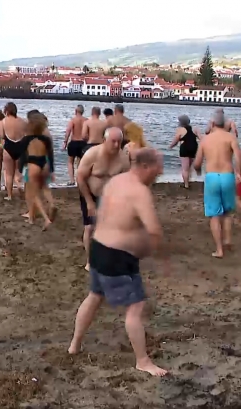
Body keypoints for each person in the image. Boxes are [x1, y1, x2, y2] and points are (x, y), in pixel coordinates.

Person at [68, 148, 167, 377]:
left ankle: (74, 345)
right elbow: (154, 230)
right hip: (117, 257)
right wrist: (151, 250)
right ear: (145, 167)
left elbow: (102, 215)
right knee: (135, 307)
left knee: (94, 297)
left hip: (99, 249)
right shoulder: (140, 192)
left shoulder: (115, 182)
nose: (160, 172)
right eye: (157, 168)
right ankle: (142, 361)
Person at [76, 127, 130, 270]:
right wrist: (89, 202)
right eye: (113, 141)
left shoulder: (123, 158)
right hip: (90, 193)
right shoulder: (92, 155)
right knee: (90, 227)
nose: (117, 145)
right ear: (104, 140)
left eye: (119, 142)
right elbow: (80, 178)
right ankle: (90, 261)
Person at [193, 110, 241, 258]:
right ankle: (227, 240)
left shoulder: (205, 140)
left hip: (212, 176)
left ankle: (219, 250)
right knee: (227, 212)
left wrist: (198, 171)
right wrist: (238, 172)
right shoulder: (230, 137)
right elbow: (238, 157)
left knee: (214, 215)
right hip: (227, 175)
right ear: (225, 124)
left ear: (213, 124)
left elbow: (197, 162)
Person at [19, 115, 56, 229]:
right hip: (44, 164)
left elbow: (22, 157)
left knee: (33, 194)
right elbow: (50, 155)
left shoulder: (26, 139)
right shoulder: (46, 139)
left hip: (33, 165)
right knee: (43, 188)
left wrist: (20, 171)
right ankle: (50, 205)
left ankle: (44, 219)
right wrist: (51, 170)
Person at [0, 102, 26, 200]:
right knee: (18, 172)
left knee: (9, 174)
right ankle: (20, 186)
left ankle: (9, 195)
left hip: (8, 147)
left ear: (6, 110)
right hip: (20, 147)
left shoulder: (2, 122)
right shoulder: (23, 121)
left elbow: (1, 136)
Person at [168, 115, 200, 189]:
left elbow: (175, 141)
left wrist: (170, 147)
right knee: (189, 167)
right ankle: (188, 181)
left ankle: (186, 185)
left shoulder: (180, 129)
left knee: (185, 168)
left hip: (185, 148)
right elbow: (201, 138)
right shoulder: (195, 129)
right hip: (194, 148)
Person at [64, 105, 88, 185]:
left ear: (75, 111)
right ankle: (80, 180)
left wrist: (65, 143)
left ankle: (72, 180)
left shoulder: (73, 120)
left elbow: (68, 131)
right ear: (82, 112)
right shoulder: (86, 120)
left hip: (74, 142)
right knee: (81, 163)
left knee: (70, 162)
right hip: (83, 144)